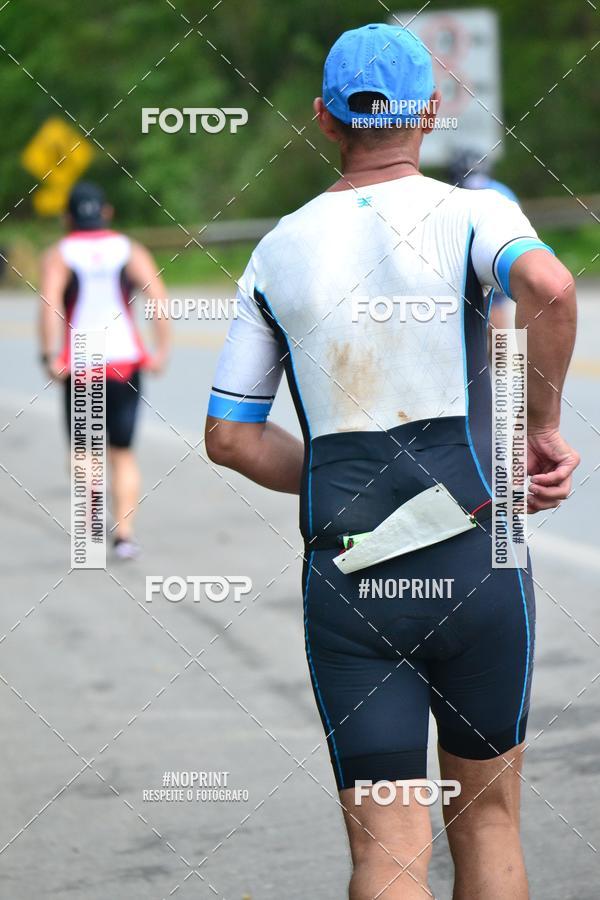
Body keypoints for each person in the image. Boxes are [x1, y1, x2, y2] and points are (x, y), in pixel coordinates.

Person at [205, 23, 579, 899]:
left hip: (350, 575)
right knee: (487, 823)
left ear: (325, 122)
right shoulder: (477, 213)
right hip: (479, 557)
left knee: (387, 853)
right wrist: (541, 427)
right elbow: (553, 287)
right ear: (432, 114)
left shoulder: (276, 251)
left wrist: (359, 486)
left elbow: (229, 435)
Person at [39, 181, 170, 560]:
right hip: (126, 363)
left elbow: (50, 304)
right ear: (107, 212)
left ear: (67, 218)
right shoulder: (128, 248)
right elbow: (158, 297)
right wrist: (160, 350)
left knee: (85, 451)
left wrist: (51, 355)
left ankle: (93, 522)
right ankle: (125, 535)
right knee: (123, 453)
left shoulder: (60, 254)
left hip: (82, 364)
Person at [450, 149, 521, 330]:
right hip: (504, 252)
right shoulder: (503, 190)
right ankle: (501, 357)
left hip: (469, 255)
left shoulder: (457, 191)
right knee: (497, 306)